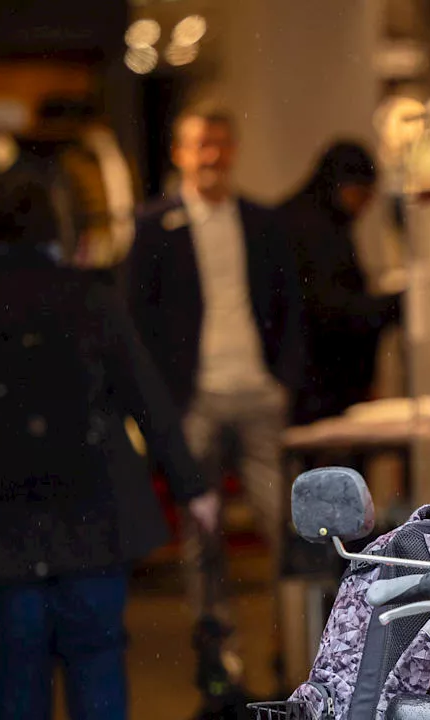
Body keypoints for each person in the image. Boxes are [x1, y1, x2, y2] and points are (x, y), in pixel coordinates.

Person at [0, 171, 216, 720]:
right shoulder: (91, 298)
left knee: (12, 674)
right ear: (57, 230)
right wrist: (192, 488)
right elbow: (146, 397)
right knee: (97, 665)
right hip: (92, 519)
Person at [126, 104, 305, 710]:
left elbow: (289, 306)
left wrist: (282, 380)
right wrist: (160, 403)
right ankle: (217, 665)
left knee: (281, 524)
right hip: (194, 397)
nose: (213, 155)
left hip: (257, 393)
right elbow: (138, 320)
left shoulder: (260, 220)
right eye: (201, 144)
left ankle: (294, 657)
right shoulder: (155, 226)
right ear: (179, 152)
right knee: (202, 540)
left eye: (222, 144)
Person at [276, 141, 399, 427]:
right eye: (362, 193)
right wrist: (394, 305)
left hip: (315, 383)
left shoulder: (308, 220)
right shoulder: (315, 230)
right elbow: (332, 308)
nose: (365, 205)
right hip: (321, 386)